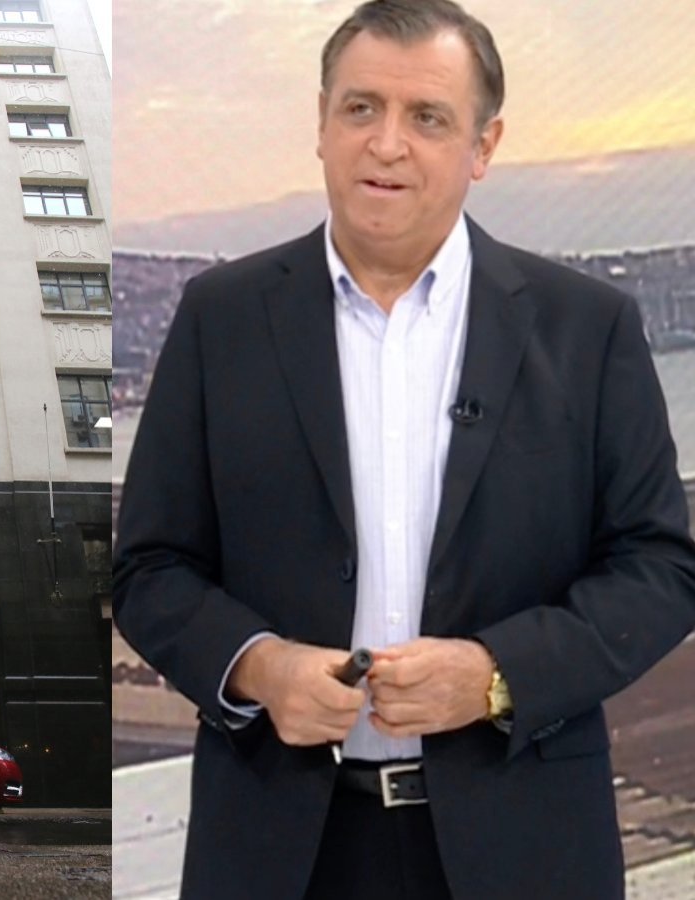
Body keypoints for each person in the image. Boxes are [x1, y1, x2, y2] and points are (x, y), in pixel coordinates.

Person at [114, 2, 695, 898]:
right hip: (281, 849)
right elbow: (148, 566)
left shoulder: (589, 328)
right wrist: (259, 666)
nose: (386, 144)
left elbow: (660, 569)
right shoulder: (218, 320)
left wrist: (497, 677)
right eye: (360, 109)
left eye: (427, 117)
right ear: (319, 125)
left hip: (525, 845)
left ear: (483, 147)